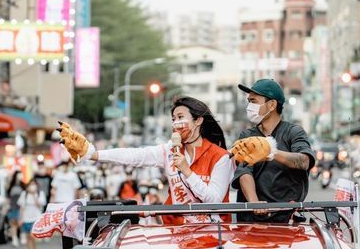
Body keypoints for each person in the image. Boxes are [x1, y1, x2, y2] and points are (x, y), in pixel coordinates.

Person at [58, 96, 234, 212]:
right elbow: (136, 156)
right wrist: (93, 153)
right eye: (173, 119)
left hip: (212, 233)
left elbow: (215, 201)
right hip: (176, 231)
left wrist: (187, 171)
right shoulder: (169, 151)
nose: (176, 123)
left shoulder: (220, 157)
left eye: (181, 117)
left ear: (199, 120)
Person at [231, 79, 315, 223]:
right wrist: (254, 202)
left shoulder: (294, 132)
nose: (249, 106)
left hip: (287, 219)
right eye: (249, 101)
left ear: (271, 105)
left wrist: (270, 152)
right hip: (251, 220)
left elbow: (304, 161)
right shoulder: (247, 135)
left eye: (254, 101)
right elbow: (244, 171)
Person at [18, 179, 47, 249]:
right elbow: (22, 207)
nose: (32, 186)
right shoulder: (24, 194)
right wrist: (21, 218)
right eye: (30, 184)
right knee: (27, 237)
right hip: (26, 218)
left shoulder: (40, 194)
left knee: (32, 235)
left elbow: (39, 205)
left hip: (36, 218)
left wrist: (34, 195)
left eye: (34, 184)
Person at [6, 171, 25, 247]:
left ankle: (22, 236)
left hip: (21, 207)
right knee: (13, 223)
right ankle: (14, 238)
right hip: (12, 206)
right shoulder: (11, 186)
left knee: (20, 222)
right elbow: (8, 197)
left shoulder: (23, 185)